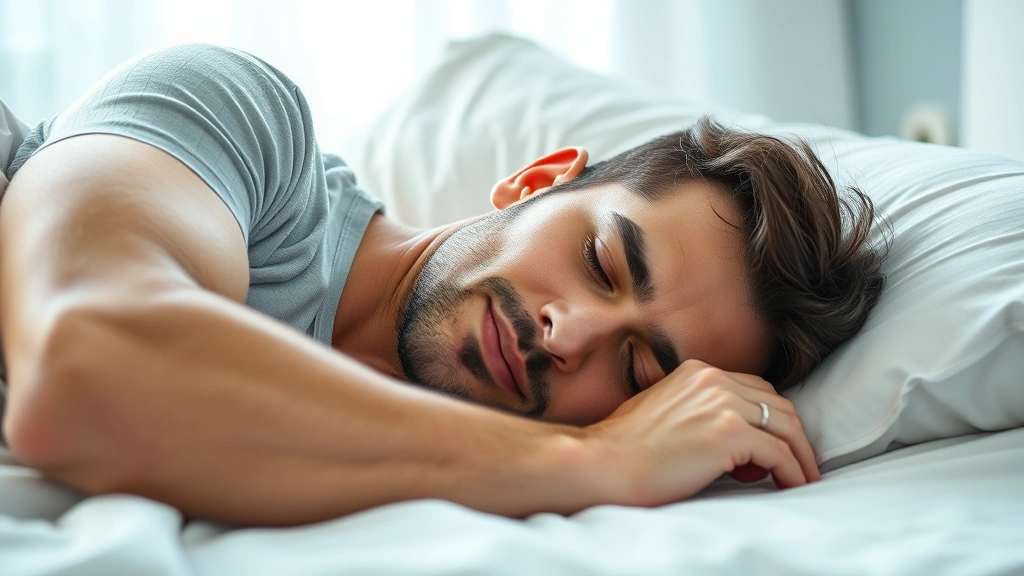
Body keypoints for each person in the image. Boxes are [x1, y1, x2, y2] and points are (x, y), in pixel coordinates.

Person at [0, 44, 884, 526]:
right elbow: (80, 372)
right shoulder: (245, 128)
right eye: (601, 263)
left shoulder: (464, 486)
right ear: (537, 180)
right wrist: (597, 460)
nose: (567, 335)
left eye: (639, 374)